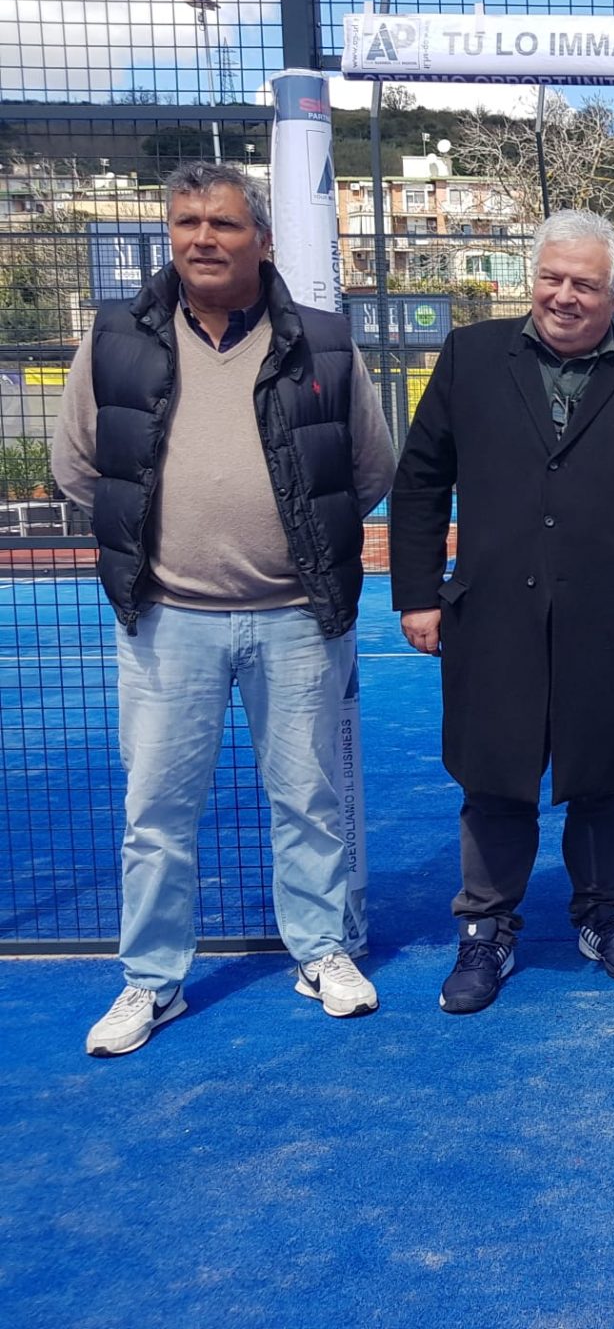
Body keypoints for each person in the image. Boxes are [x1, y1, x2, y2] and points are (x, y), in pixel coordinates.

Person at [53, 161, 395, 1056]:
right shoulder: (116, 339)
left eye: (226, 225)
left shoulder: (322, 341)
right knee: (156, 812)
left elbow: (368, 469)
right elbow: (79, 467)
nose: (203, 239)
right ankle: (152, 983)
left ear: (263, 240)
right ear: (170, 234)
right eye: (188, 223)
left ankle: (320, 952)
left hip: (295, 616)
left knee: (308, 799)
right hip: (170, 619)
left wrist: (298, 542)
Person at [389, 209, 614, 1015]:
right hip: (490, 613)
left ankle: (605, 914)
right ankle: (486, 928)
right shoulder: (469, 356)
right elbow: (422, 481)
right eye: (552, 278)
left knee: (606, 776)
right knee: (494, 777)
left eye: (586, 284)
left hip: (613, 619)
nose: (565, 296)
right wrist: (417, 594)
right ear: (531, 278)